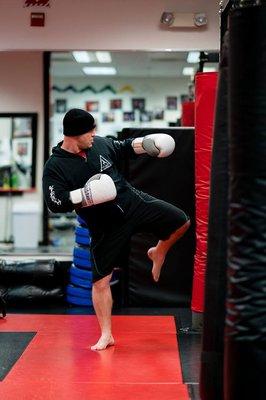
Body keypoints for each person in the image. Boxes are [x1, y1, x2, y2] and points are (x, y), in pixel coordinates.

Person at [43, 108, 190, 351]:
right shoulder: (55, 166)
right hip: (105, 226)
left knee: (181, 221)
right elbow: (54, 202)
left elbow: (123, 147)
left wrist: (147, 143)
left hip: (133, 203)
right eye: (90, 130)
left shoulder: (99, 144)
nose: (94, 134)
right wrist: (86, 195)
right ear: (74, 134)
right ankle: (106, 334)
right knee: (100, 281)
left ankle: (159, 251)